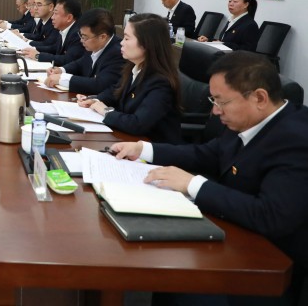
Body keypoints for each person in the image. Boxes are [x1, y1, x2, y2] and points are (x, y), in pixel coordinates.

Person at [111, 51, 308, 305]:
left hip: (266, 267)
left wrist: (192, 184)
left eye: (221, 102)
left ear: (259, 98)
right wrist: (144, 150)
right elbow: (207, 154)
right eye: (213, 100)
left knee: (173, 273)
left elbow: (271, 216)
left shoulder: (296, 140)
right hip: (231, 234)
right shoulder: (248, 121)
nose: (215, 111)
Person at [78, 13, 182, 144]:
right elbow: (115, 91)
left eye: (127, 38)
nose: (121, 42)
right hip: (128, 140)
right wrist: (95, 100)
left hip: (153, 149)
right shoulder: (134, 67)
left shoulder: (160, 82)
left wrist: (105, 111)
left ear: (146, 44)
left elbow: (137, 124)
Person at [43, 8, 124, 94]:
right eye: (81, 35)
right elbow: (81, 63)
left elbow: (99, 85)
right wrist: (61, 70)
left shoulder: (118, 53)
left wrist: (62, 79)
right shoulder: (94, 44)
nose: (81, 40)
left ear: (102, 37)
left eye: (85, 37)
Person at [21, 0, 84, 67]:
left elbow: (67, 59)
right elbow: (54, 48)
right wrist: (33, 49)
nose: (52, 17)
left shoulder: (78, 34)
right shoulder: (64, 28)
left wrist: (38, 56)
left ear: (69, 18)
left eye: (56, 14)